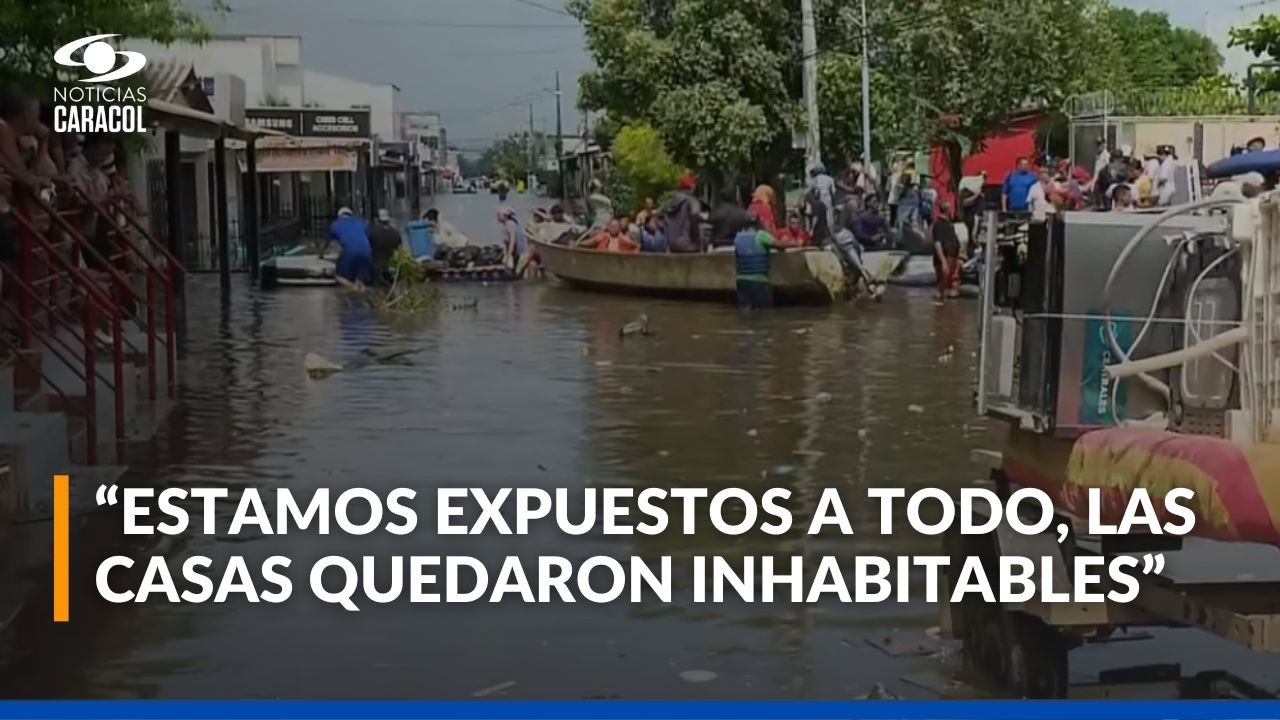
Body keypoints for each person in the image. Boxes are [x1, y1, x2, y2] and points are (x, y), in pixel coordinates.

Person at [733, 212, 779, 310]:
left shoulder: (738, 237)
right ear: (758, 223)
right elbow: (779, 244)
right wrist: (795, 244)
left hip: (742, 281)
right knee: (764, 314)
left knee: (745, 312)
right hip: (759, 281)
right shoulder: (761, 235)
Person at [323, 207, 372, 290]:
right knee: (359, 278)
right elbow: (369, 237)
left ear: (339, 216)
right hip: (367, 252)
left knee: (339, 276)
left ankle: (353, 289)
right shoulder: (362, 222)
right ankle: (363, 293)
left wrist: (321, 254)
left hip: (350, 252)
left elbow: (327, 242)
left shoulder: (336, 224)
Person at [663, 172, 701, 253]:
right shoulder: (692, 201)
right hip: (689, 245)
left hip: (672, 245)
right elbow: (695, 219)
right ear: (692, 187)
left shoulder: (669, 203)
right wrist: (698, 242)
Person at [932, 201, 962, 300]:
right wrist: (943, 261)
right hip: (945, 256)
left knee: (950, 279)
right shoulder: (939, 225)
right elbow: (937, 243)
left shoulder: (949, 224)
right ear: (948, 210)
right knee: (943, 279)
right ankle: (940, 299)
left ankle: (945, 299)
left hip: (952, 255)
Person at [368, 209, 402, 284]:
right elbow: (399, 252)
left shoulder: (372, 233)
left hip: (376, 270)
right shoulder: (396, 234)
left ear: (376, 220)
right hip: (392, 269)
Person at [497, 206, 530, 271]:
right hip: (516, 252)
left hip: (520, 253)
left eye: (499, 215)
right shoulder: (508, 224)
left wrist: (509, 255)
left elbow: (512, 240)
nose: (497, 217)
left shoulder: (509, 224)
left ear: (505, 216)